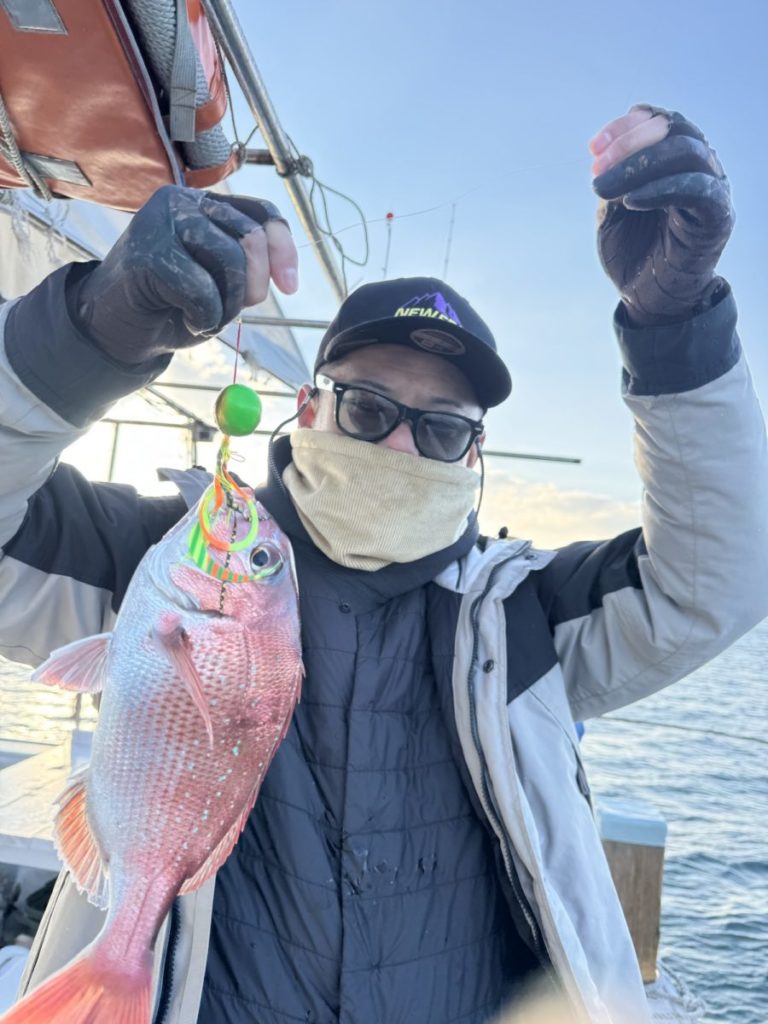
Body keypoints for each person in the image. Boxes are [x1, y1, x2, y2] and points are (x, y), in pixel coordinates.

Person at [1, 104, 766, 1024]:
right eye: (368, 410)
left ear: (473, 454)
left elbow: (718, 578)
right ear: (309, 408)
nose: (401, 447)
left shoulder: (524, 615)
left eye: (440, 430)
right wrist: (92, 329)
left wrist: (675, 327)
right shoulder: (158, 564)